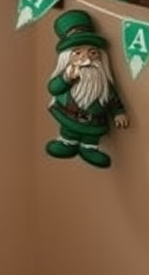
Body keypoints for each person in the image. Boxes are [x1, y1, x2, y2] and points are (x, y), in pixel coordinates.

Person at [45, 10, 128, 169]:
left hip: (94, 122)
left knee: (91, 136)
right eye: (78, 53)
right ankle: (67, 142)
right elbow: (53, 88)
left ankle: (89, 148)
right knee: (69, 131)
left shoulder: (102, 81)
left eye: (93, 52)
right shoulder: (68, 76)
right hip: (69, 116)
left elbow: (113, 98)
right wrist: (66, 78)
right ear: (67, 57)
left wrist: (119, 112)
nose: (87, 58)